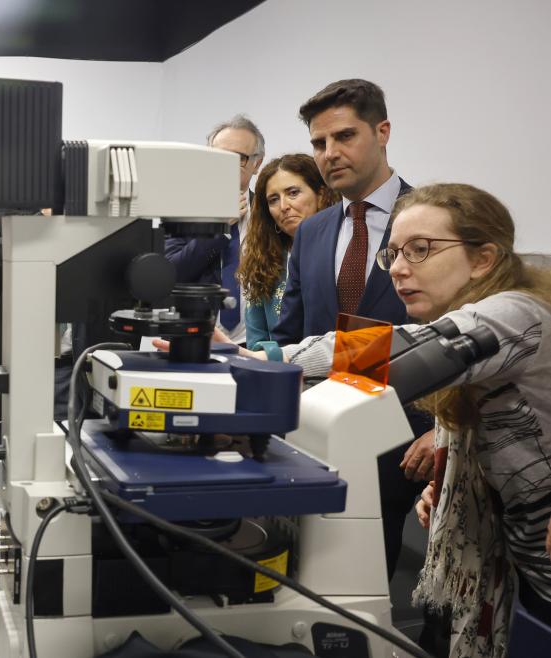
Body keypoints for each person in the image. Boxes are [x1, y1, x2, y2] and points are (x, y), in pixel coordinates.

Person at [245, 183, 551, 655]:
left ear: (483, 258)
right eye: (393, 254)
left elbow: (404, 353)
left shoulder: (516, 313)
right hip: (524, 563)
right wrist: (456, 479)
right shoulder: (478, 317)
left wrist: (255, 361)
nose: (400, 268)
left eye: (421, 250)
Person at [268, 79, 429, 580]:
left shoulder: (433, 217)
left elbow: (453, 336)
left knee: (369, 576)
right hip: (317, 427)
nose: (330, 153)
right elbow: (291, 334)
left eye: (345, 137)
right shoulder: (313, 231)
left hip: (403, 435)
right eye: (319, 143)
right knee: (308, 568)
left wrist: (446, 430)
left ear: (382, 132)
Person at [165, 115, 265, 345]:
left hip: (253, 343)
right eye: (218, 156)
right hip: (195, 339)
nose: (226, 164)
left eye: (238, 157)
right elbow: (171, 273)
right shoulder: (183, 210)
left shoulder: (268, 212)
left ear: (256, 163)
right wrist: (219, 230)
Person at [236, 154, 338, 347]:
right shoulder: (264, 260)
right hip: (277, 370)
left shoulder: (342, 251)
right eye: (273, 199)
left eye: (293, 193)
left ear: (322, 195)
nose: (283, 206)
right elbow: (256, 340)